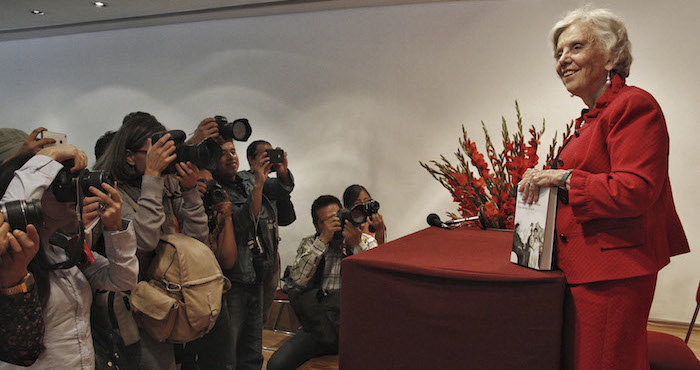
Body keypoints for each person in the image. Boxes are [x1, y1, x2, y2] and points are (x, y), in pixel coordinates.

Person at [518, 7, 689, 369]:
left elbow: (634, 190)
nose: (563, 59)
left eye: (576, 47)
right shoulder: (595, 114)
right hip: (588, 268)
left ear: (611, 55)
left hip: (613, 273)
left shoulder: (634, 105)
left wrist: (561, 178)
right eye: (559, 53)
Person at [0, 144, 139, 370]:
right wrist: (48, 157)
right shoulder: (12, 262)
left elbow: (122, 280)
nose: (70, 194)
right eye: (57, 185)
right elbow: (7, 220)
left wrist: (115, 229)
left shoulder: (61, 250)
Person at [94, 112, 208, 370]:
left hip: (167, 298)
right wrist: (153, 178)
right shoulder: (111, 193)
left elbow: (197, 242)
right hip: (132, 306)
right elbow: (143, 241)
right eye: (153, 152)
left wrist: (190, 192)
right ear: (129, 156)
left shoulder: (164, 185)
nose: (162, 158)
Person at [267, 195, 378, 370]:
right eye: (327, 221)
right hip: (320, 326)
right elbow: (297, 280)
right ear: (316, 226)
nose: (335, 224)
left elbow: (374, 285)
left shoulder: (365, 242)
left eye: (337, 217)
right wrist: (322, 242)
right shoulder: (310, 244)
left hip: (354, 327)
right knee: (276, 364)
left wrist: (356, 246)